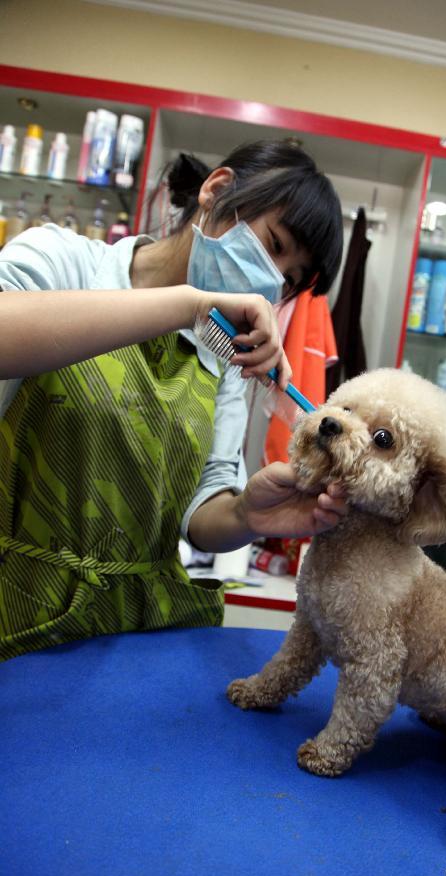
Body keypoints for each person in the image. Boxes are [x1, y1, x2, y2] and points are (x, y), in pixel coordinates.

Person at [0, 140, 345, 661]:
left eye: (289, 279)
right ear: (217, 189)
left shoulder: (223, 360)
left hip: (133, 634)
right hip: (16, 608)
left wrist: (249, 512)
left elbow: (200, 517)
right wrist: (191, 305)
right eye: (273, 244)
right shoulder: (62, 261)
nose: (272, 278)